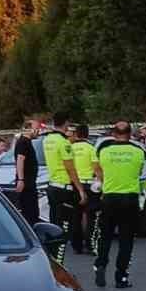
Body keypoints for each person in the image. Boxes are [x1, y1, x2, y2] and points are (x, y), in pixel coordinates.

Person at [93, 120, 145, 289]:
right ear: (130, 134)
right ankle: (121, 276)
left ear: (113, 134)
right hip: (129, 198)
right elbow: (138, 172)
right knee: (126, 239)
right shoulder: (138, 151)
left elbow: (98, 169)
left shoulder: (104, 151)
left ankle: (100, 265)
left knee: (105, 235)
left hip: (109, 197)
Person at [41, 113, 85, 265]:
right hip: (64, 189)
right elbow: (70, 168)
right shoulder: (63, 142)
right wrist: (80, 189)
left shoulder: (47, 140)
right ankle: (59, 267)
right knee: (63, 231)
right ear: (65, 123)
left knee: (53, 228)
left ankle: (52, 264)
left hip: (52, 186)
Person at [70, 123, 100, 256]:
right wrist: (101, 181)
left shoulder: (69, 148)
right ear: (87, 135)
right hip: (88, 185)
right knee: (91, 216)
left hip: (74, 184)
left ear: (76, 134)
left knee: (75, 216)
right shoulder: (90, 148)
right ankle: (90, 245)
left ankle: (76, 245)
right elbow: (96, 168)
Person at [13, 117, 42, 225]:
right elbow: (20, 159)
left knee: (33, 212)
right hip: (26, 184)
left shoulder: (27, 142)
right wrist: (21, 179)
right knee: (29, 212)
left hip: (30, 183)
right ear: (28, 129)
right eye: (36, 128)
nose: (39, 131)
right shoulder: (23, 142)